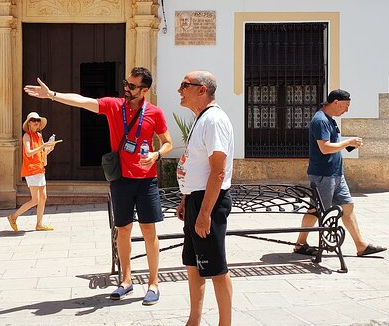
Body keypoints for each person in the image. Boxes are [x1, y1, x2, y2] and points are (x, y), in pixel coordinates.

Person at [24, 67, 173, 305]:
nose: (126, 88)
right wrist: (52, 94)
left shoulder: (154, 113)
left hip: (146, 179)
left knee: (148, 231)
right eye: (126, 83)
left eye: (132, 86)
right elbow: (83, 101)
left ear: (144, 90)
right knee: (123, 229)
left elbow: (168, 142)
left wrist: (156, 154)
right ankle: (126, 280)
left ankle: (153, 283)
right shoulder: (115, 106)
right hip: (121, 179)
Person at [294, 89, 386, 258]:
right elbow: (325, 147)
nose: (347, 110)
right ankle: (300, 244)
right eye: (345, 106)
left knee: (348, 206)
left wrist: (348, 144)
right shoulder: (320, 120)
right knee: (315, 210)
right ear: (336, 102)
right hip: (323, 175)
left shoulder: (330, 120)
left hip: (336, 173)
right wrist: (347, 142)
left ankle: (361, 245)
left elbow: (332, 145)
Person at [175, 71, 233, 326]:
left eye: (184, 85)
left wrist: (205, 213)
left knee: (216, 268)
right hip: (196, 200)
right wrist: (186, 199)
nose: (179, 90)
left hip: (208, 202)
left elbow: (218, 171)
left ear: (202, 90)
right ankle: (194, 320)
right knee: (194, 264)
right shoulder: (202, 119)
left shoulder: (214, 120)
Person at [7, 111, 56, 231]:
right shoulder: (26, 136)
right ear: (29, 123)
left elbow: (42, 152)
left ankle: (39, 224)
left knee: (43, 197)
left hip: (39, 168)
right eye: (34, 120)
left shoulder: (39, 136)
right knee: (35, 200)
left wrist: (49, 148)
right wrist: (43, 147)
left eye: (38, 121)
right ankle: (13, 217)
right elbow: (29, 152)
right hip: (31, 170)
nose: (36, 123)